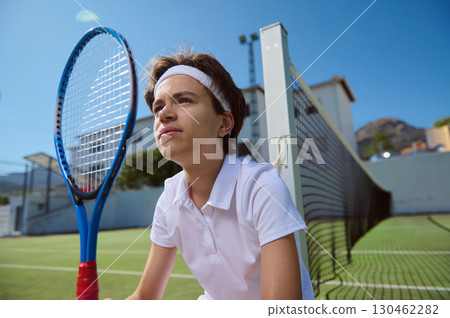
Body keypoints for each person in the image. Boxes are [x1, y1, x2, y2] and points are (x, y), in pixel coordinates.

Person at [127, 49, 314, 300]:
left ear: (224, 123)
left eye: (183, 100)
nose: (163, 114)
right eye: (158, 106)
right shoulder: (168, 200)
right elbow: (144, 298)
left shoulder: (261, 186)